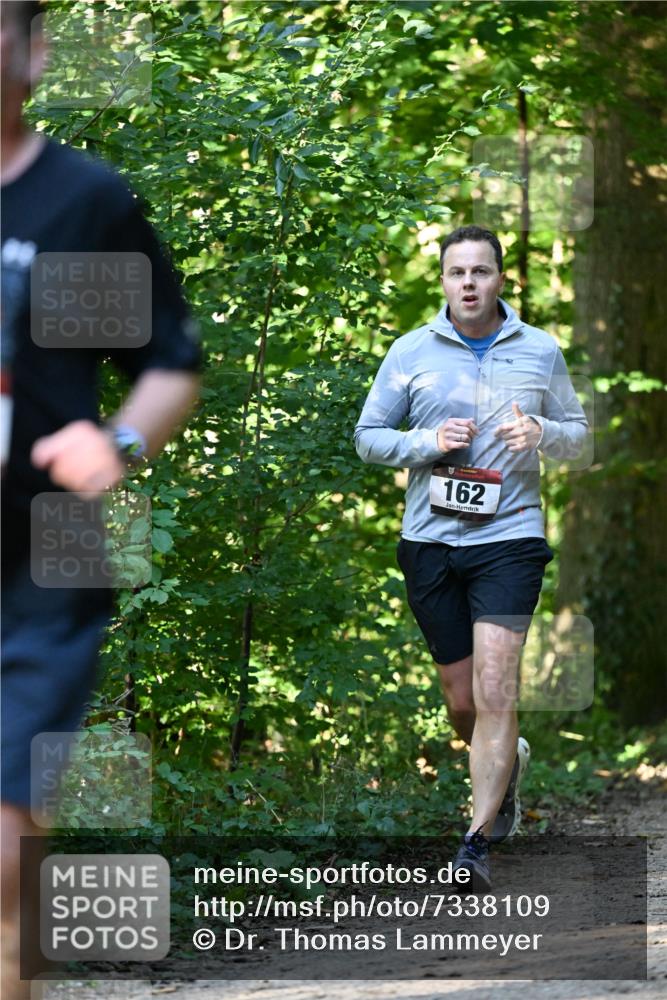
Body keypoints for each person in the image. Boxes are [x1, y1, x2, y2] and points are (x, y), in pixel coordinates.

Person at [1, 3, 202, 996]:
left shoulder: (80, 203)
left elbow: (167, 362)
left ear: (34, 53)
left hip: (45, 553)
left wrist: (116, 440)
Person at [354, 224, 588, 889]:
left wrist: (543, 431)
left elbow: (578, 438)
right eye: (456, 272)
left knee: (493, 685)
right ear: (442, 281)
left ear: (500, 279)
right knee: (462, 701)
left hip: (508, 540)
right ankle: (504, 764)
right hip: (429, 542)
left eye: (480, 272)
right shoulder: (409, 352)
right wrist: (426, 441)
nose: (468, 283)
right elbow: (367, 438)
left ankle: (474, 842)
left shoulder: (540, 351)